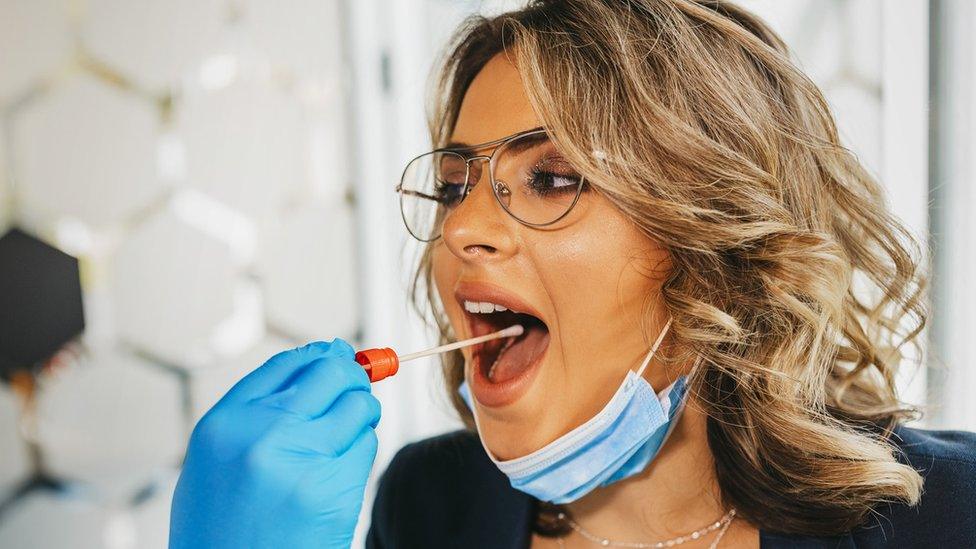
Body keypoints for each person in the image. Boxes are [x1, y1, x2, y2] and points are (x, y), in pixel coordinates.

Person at [169, 1, 976, 548]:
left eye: (553, 177)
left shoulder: (952, 513)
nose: (462, 227)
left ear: (713, 249)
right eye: (454, 186)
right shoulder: (429, 510)